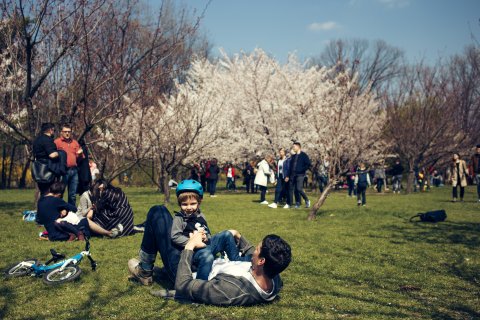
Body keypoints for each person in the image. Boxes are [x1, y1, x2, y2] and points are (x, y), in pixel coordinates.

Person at [128, 205, 292, 306]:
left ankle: (145, 271)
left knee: (159, 213)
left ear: (262, 261)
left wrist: (190, 245)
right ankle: (152, 270)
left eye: (258, 248)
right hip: (206, 258)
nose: (253, 250)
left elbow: (184, 285)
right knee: (175, 223)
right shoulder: (273, 277)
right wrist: (238, 236)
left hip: (187, 269)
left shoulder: (232, 291)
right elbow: (250, 254)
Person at [170, 180, 251, 280]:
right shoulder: (179, 218)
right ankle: (199, 284)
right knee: (207, 256)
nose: (189, 207)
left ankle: (237, 258)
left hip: (206, 245)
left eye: (193, 203)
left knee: (226, 234)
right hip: (194, 252)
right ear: (179, 204)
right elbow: (175, 236)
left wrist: (205, 237)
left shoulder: (200, 215)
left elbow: (207, 232)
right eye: (184, 204)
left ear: (199, 202)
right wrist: (193, 242)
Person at [54, 124, 84, 206]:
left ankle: (71, 213)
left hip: (74, 171)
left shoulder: (75, 142)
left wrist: (80, 154)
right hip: (63, 171)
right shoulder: (57, 142)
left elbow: (80, 158)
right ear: (61, 132)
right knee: (60, 192)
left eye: (69, 132)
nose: (67, 133)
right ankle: (59, 210)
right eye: (65, 132)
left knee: (72, 195)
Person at [32, 123, 59, 195]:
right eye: (54, 130)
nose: (54, 132)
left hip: (38, 170)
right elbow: (52, 155)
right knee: (49, 192)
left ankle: (41, 205)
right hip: (48, 170)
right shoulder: (48, 140)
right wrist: (59, 153)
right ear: (50, 130)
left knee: (43, 192)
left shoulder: (37, 140)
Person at [287, 142, 311, 208]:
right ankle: (297, 203)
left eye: (294, 146)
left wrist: (302, 170)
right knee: (295, 190)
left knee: (299, 188)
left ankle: (307, 200)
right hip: (293, 175)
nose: (293, 148)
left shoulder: (304, 155)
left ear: (298, 147)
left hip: (300, 174)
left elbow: (308, 164)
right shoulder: (293, 156)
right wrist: (288, 175)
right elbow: (290, 167)